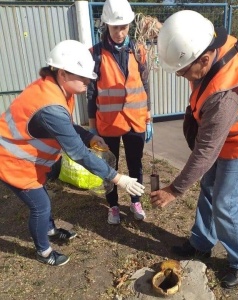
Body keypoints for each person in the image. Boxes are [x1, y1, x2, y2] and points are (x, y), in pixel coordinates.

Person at [150, 10, 238, 289]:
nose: (181, 76)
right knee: (208, 188)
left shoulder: (224, 96)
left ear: (204, 59)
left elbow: (206, 151)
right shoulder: (207, 44)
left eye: (183, 70)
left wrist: (173, 190)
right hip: (222, 136)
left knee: (224, 203)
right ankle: (201, 242)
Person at [0, 40, 145, 266]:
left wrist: (89, 136)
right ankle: (44, 252)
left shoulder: (53, 87)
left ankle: (49, 230)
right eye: (82, 76)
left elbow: (64, 124)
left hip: (26, 157)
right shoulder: (50, 104)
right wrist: (118, 178)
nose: (88, 82)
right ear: (63, 73)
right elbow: (78, 153)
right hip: (12, 161)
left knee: (43, 197)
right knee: (40, 206)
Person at [87, 0, 156, 225]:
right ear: (106, 25)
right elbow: (90, 94)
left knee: (135, 164)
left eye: (124, 26)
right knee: (109, 166)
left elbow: (145, 87)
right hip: (108, 123)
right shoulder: (95, 55)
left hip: (135, 121)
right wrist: (92, 128)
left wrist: (148, 117)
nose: (120, 31)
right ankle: (113, 206)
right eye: (115, 27)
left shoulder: (139, 50)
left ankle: (136, 201)